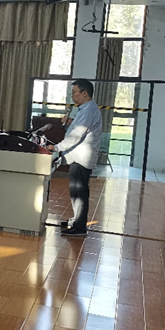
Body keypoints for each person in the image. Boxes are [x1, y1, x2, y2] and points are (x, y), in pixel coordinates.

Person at [49, 79, 103, 237]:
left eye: (74, 92)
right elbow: (78, 128)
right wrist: (69, 123)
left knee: (79, 192)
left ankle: (79, 227)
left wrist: (56, 147)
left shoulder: (88, 110)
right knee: (76, 192)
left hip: (81, 158)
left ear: (84, 93)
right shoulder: (85, 109)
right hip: (78, 157)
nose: (72, 96)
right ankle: (77, 220)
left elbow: (77, 135)